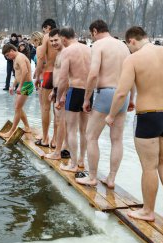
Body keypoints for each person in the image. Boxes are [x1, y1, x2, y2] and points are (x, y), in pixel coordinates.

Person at [105, 26, 163, 222]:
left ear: (132, 41)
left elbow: (121, 92)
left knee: (149, 167)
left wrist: (111, 115)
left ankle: (148, 211)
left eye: (129, 46)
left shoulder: (134, 59)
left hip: (147, 116)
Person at [75, 20, 132, 188]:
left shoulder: (99, 45)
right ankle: (111, 178)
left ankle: (92, 177)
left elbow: (93, 74)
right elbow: (132, 74)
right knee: (117, 139)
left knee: (91, 136)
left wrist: (87, 98)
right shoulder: (124, 46)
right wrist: (132, 98)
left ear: (94, 31)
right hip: (123, 93)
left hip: (105, 93)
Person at [56, 27, 92, 172]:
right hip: (89, 91)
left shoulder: (67, 51)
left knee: (71, 129)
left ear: (64, 39)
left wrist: (59, 97)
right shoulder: (89, 49)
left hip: (75, 90)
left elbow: (63, 78)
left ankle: (73, 164)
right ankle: (82, 160)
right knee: (84, 130)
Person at [45, 28, 70, 160]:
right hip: (57, 90)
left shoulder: (66, 52)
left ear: (62, 38)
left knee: (63, 121)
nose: (54, 43)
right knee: (60, 121)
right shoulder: (59, 53)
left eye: (56, 40)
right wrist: (54, 91)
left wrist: (63, 93)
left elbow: (68, 76)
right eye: (51, 41)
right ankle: (64, 149)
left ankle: (61, 150)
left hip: (64, 91)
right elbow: (58, 74)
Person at [0, 44, 33, 138]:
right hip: (22, 85)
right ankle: (27, 127)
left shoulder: (20, 57)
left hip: (26, 85)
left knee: (17, 108)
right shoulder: (15, 58)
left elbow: (25, 71)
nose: (7, 57)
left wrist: (20, 86)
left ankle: (11, 131)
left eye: (7, 55)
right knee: (18, 107)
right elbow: (18, 74)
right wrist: (13, 85)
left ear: (11, 51)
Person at [35, 18, 58, 148]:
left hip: (49, 73)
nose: (43, 31)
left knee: (45, 107)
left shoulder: (47, 37)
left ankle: (45, 138)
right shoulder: (61, 36)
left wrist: (38, 76)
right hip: (62, 75)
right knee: (58, 110)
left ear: (48, 27)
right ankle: (55, 140)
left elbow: (41, 58)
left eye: (44, 29)